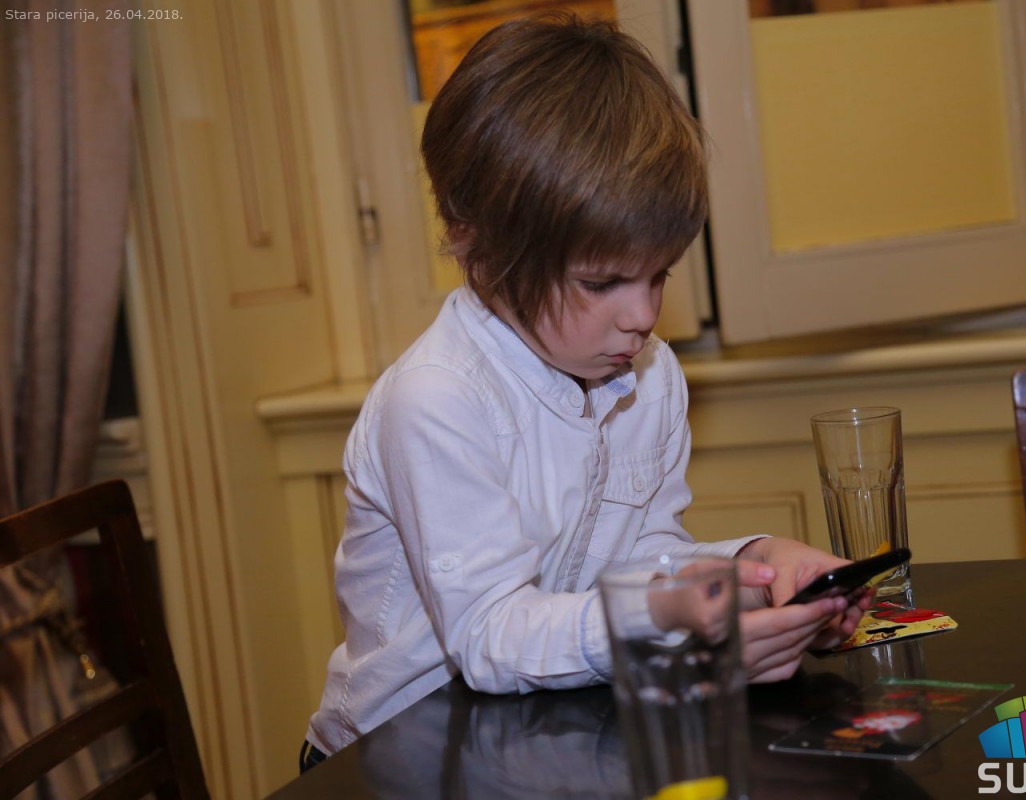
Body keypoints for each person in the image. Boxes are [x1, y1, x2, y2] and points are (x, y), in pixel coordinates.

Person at [301, 12, 868, 770]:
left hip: (538, 742)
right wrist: (665, 621)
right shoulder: (436, 401)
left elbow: (640, 561)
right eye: (602, 282)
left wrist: (757, 574)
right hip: (398, 762)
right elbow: (491, 638)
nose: (642, 316)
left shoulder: (651, 375)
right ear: (477, 246)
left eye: (659, 274)